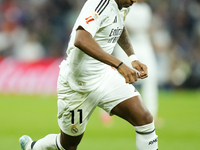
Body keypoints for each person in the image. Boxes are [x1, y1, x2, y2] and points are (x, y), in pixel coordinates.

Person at [19, 0, 159, 150]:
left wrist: (132, 58)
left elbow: (119, 26)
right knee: (68, 145)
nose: (134, 1)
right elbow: (81, 39)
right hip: (77, 85)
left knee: (145, 119)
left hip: (104, 77)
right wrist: (119, 65)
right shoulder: (99, 3)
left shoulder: (124, 5)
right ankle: (32, 147)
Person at [112, 0, 158, 119]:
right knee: (118, 78)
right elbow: (125, 27)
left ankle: (152, 113)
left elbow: (149, 28)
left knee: (151, 77)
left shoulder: (146, 8)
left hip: (144, 44)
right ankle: (108, 114)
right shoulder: (127, 5)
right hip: (128, 45)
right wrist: (143, 29)